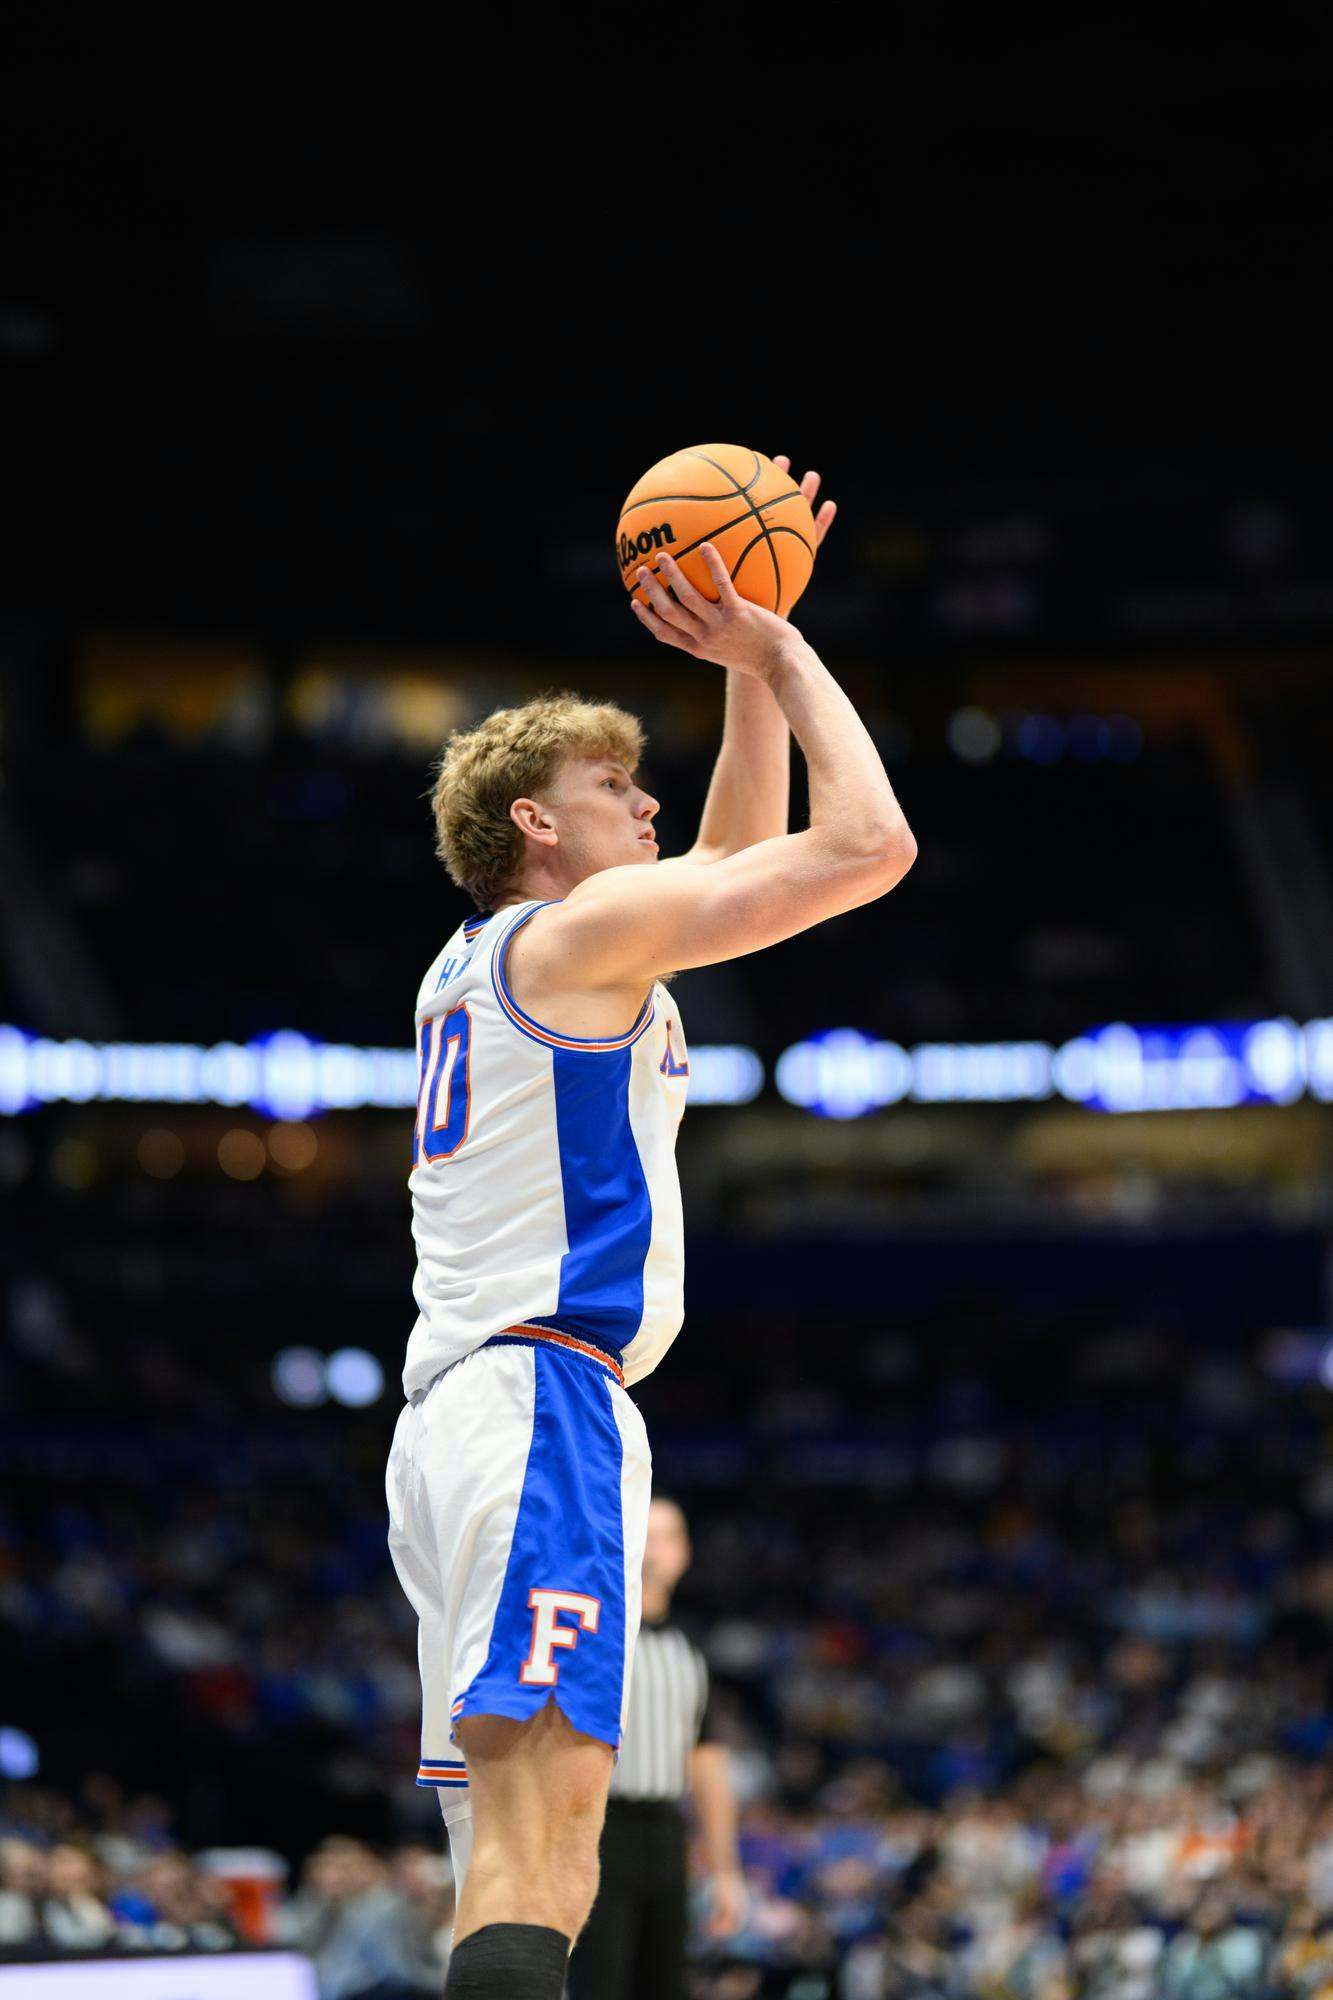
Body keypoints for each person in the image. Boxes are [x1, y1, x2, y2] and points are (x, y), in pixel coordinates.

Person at [385, 457, 917, 2000]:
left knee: (511, 1864)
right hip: (539, 1401)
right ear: (535, 822)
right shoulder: (579, 936)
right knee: (549, 1864)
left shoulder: (504, 958)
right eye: (617, 789)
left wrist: (745, 656)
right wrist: (785, 649)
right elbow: (867, 847)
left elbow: (735, 859)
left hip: (460, 1417)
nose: (650, 803)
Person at [567, 1495, 743, 2000]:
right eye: (643, 1532)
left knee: (665, 1984)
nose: (652, 1548)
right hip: (596, 1830)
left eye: (666, 1536)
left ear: (684, 1553)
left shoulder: (690, 1650)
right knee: (598, 1985)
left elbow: (707, 1760)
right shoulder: (587, 1633)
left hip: (666, 1833)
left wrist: (726, 1870)